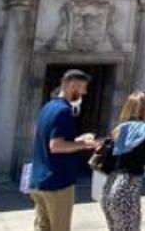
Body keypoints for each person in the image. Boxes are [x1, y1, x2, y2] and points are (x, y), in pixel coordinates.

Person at [30, 69, 97, 231]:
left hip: (39, 180)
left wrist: (77, 140)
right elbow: (56, 146)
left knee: (42, 227)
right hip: (58, 181)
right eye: (83, 89)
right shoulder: (63, 111)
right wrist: (85, 144)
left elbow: (48, 139)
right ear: (72, 85)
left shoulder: (48, 107)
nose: (84, 93)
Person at [100, 90, 145, 231]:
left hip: (108, 189)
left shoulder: (119, 129)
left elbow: (106, 161)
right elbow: (144, 160)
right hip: (126, 189)